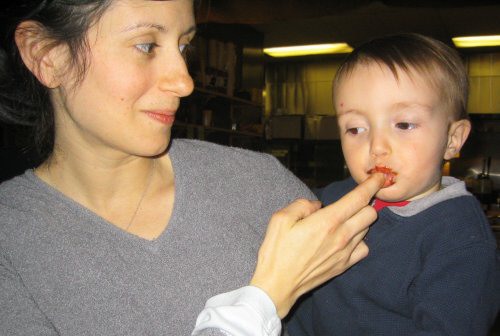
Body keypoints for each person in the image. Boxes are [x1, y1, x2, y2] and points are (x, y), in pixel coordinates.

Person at [0, 1, 386, 335]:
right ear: (47, 56)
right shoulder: (11, 241)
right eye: (147, 45)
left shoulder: (254, 183)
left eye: (183, 46)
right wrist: (266, 296)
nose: (184, 82)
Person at [286, 33, 500, 335]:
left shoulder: (460, 240)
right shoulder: (334, 198)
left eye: (403, 124)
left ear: (452, 140)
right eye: (355, 128)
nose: (377, 146)